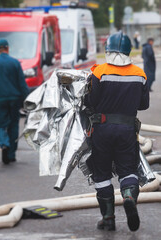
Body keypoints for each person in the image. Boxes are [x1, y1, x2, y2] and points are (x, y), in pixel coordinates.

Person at [84, 31, 149, 232]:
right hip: (127, 130)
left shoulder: (99, 72)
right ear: (129, 51)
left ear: (108, 50)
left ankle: (108, 218)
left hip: (102, 130)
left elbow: (90, 102)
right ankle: (129, 196)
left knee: (102, 173)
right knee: (128, 170)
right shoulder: (140, 74)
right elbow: (144, 105)